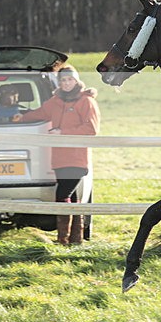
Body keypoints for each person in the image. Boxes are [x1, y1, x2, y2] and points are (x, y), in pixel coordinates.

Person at [17, 66, 100, 245]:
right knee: (73, 197)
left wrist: (62, 132)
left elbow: (91, 129)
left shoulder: (86, 101)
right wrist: (18, 117)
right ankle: (75, 240)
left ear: (76, 81)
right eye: (63, 80)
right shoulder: (55, 101)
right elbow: (38, 113)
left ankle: (62, 239)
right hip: (59, 158)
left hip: (77, 157)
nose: (66, 83)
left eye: (69, 80)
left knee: (63, 193)